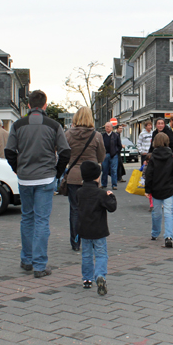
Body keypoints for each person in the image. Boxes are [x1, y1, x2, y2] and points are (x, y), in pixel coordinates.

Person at [5, 90, 71, 278]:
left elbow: (9, 150)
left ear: (28, 106)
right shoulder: (53, 125)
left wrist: (17, 168)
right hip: (45, 178)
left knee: (27, 218)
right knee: (42, 220)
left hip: (25, 178)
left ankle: (27, 260)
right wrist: (56, 173)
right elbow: (65, 151)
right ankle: (40, 265)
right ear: (45, 105)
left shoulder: (18, 125)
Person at [64, 107, 105, 251]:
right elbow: (101, 157)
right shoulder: (97, 136)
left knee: (75, 210)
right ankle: (92, 240)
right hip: (92, 178)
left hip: (74, 176)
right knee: (93, 210)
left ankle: (75, 242)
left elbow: (64, 155)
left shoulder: (68, 135)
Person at [77, 161, 117, 295]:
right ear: (97, 177)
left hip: (84, 229)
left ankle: (87, 279)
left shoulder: (79, 192)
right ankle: (100, 275)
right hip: (99, 230)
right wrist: (111, 196)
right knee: (101, 254)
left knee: (86, 255)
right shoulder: (100, 193)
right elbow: (112, 207)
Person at [144, 132, 173, 248]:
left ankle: (155, 233)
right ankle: (168, 236)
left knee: (156, 213)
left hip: (156, 189)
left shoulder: (153, 157)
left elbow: (149, 174)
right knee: (169, 213)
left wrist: (148, 189)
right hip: (169, 189)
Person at [100, 122, 122, 190]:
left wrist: (116, 151)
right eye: (106, 127)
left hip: (113, 155)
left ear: (112, 128)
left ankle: (114, 185)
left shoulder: (115, 135)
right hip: (105, 155)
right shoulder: (102, 136)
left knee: (114, 170)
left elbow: (119, 146)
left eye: (108, 127)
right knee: (104, 170)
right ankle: (104, 184)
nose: (107, 128)